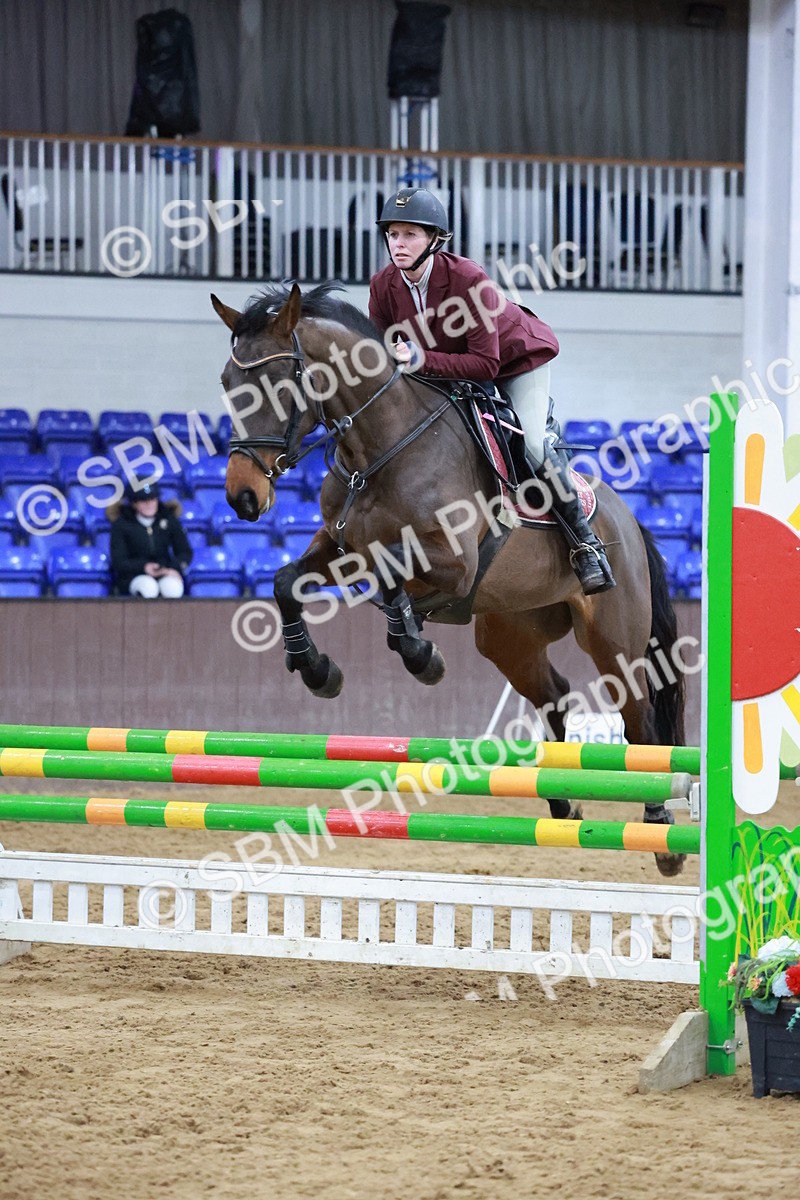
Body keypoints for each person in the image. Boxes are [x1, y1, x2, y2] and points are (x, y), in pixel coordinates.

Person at [369, 187, 615, 595]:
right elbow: (383, 358)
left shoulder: (468, 279)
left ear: (435, 239)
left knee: (532, 445)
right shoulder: (383, 286)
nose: (399, 244)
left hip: (515, 362)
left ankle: (585, 545)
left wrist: (418, 359)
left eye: (410, 234)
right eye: (393, 235)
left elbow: (485, 365)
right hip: (447, 370)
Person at [109, 479, 192, 598]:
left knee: (173, 588)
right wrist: (143, 567)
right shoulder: (121, 525)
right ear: (133, 503)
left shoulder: (169, 520)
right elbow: (118, 561)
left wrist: (171, 568)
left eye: (153, 499)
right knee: (148, 588)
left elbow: (184, 552)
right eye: (143, 500)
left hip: (164, 571)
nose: (149, 504)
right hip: (133, 575)